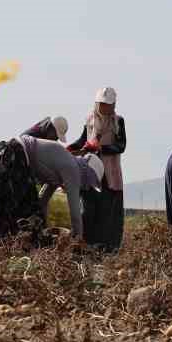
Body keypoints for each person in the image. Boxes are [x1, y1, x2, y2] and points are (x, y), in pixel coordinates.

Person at [0, 133, 93, 243]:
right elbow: (75, 212)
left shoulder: (59, 167)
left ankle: (4, 249)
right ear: (87, 174)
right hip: (16, 156)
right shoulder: (73, 169)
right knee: (25, 216)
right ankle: (22, 250)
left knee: (1, 211)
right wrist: (78, 240)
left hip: (1, 155)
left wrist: (43, 227)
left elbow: (42, 200)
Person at [67, 87, 127, 251]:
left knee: (108, 212)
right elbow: (82, 140)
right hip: (90, 172)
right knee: (88, 209)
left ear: (114, 104)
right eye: (103, 104)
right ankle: (88, 245)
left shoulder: (118, 121)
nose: (106, 107)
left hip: (110, 175)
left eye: (109, 104)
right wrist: (70, 148)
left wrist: (100, 149)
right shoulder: (90, 120)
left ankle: (108, 248)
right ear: (97, 103)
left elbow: (121, 146)